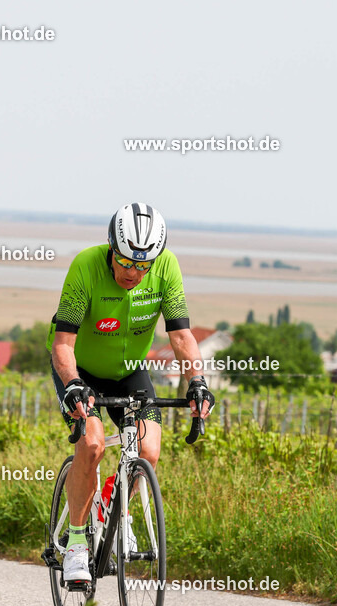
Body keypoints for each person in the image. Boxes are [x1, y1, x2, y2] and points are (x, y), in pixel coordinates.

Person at [47, 202, 215, 583]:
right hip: (80, 369)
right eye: (126, 262)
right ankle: (75, 544)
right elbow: (62, 344)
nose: (134, 273)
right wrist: (73, 385)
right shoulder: (86, 266)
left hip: (128, 371)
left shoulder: (166, 266)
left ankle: (110, 502)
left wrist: (197, 383)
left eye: (143, 265)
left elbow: (180, 335)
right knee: (90, 445)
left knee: (149, 450)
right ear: (111, 247)